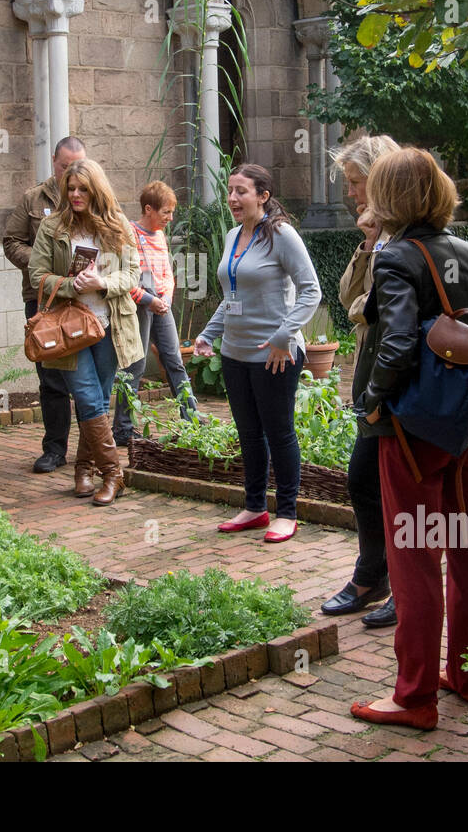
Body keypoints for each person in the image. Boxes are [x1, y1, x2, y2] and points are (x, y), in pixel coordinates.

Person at [349, 147, 468, 730]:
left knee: (414, 561)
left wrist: (374, 400)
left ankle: (414, 699)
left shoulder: (397, 256)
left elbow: (400, 342)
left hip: (408, 437)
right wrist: (467, 382)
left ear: (390, 198)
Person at [193, 164, 321, 544]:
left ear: (263, 196)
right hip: (235, 353)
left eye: (241, 191)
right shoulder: (234, 235)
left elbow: (311, 290)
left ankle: (287, 512)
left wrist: (284, 335)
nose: (232, 198)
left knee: (279, 432)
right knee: (248, 433)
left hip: (274, 355)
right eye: (230, 190)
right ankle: (254, 507)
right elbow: (232, 296)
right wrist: (208, 333)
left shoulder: (282, 234)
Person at [319, 134, 401, 625]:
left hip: (395, 387)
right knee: (365, 481)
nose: (351, 193)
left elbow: (366, 312)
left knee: (391, 486)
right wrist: (368, 244)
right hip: (373, 379)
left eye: (355, 182)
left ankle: (394, 583)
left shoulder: (412, 237)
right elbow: (348, 298)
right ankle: (374, 576)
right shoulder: (379, 236)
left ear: (379, 177)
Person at [28, 158, 141, 506]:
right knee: (89, 398)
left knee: (97, 399)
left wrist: (103, 282)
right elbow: (37, 275)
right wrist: (70, 285)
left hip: (109, 325)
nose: (76, 195)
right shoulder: (52, 226)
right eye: (71, 188)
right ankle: (113, 474)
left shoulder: (117, 225)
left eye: (83, 189)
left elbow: (133, 273)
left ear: (96, 190)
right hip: (71, 328)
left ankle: (83, 468)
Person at [4, 136, 86, 473]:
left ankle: (92, 449)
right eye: (65, 167)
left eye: (77, 167)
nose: (71, 175)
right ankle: (54, 449)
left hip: (84, 300)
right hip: (43, 299)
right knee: (51, 377)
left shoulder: (94, 196)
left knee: (87, 377)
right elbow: (11, 241)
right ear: (54, 162)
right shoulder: (33, 199)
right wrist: (41, 263)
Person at [112, 180, 202, 445]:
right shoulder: (129, 233)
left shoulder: (160, 235)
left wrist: (165, 298)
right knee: (134, 366)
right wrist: (148, 299)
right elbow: (124, 278)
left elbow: (166, 273)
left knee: (174, 360)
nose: (170, 218)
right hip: (139, 307)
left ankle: (191, 417)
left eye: (172, 212)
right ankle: (123, 429)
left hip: (161, 306)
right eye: (166, 212)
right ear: (148, 209)